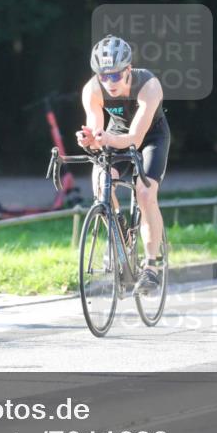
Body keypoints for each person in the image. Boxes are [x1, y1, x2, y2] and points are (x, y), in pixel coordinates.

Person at [76, 35, 170, 294]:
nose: (109, 82)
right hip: (115, 134)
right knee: (99, 183)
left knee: (145, 193)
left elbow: (136, 138)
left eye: (115, 76)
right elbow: (96, 128)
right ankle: (119, 230)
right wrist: (89, 139)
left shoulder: (149, 86)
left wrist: (105, 139)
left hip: (150, 138)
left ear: (128, 70)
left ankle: (151, 267)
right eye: (103, 76)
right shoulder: (92, 89)